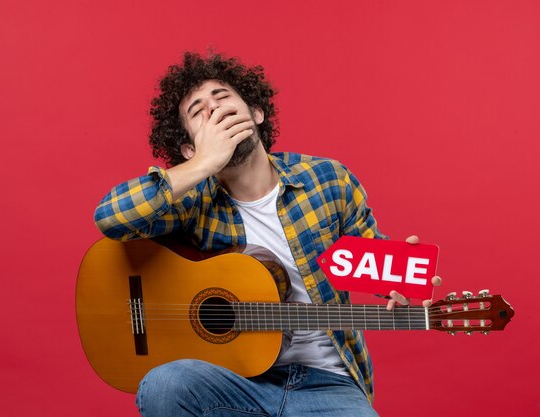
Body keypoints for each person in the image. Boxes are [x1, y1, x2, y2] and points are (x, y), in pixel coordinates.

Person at [94, 52, 441, 417]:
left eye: (223, 97)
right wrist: (203, 164)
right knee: (164, 384)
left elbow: (376, 259)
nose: (213, 110)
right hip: (235, 380)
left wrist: (399, 281)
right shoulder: (191, 202)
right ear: (188, 148)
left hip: (329, 382)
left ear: (256, 114)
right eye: (198, 112)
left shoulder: (327, 179)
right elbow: (110, 216)